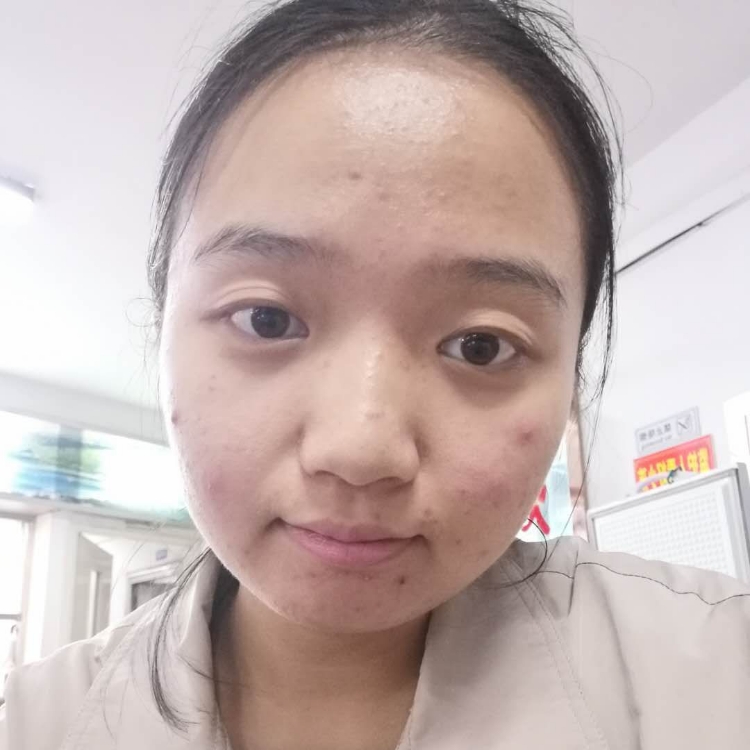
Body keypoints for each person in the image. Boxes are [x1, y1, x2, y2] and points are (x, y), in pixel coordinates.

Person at [2, 1, 749, 748]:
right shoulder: (35, 723)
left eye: (480, 345)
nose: (360, 450)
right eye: (267, 319)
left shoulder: (718, 678)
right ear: (163, 325)